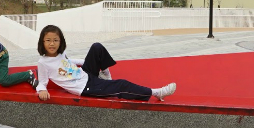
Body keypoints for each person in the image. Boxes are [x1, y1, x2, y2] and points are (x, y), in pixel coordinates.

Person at [35, 24, 176, 102]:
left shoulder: (60, 54)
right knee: (122, 84)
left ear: (61, 42)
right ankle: (157, 93)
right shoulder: (43, 63)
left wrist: (88, 61)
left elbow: (68, 62)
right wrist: (42, 90)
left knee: (96, 47)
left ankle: (106, 77)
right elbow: (42, 81)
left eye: (55, 40)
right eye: (48, 40)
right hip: (85, 87)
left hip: (85, 75)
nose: (52, 44)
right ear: (42, 42)